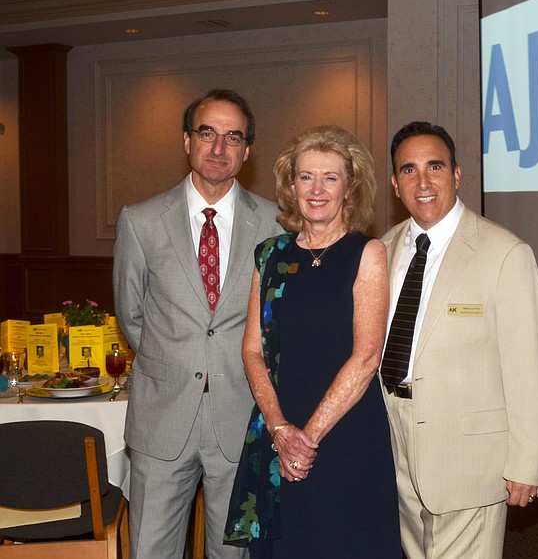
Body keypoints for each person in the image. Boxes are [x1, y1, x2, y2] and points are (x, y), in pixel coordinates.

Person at [112, 88, 283, 559]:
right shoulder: (141, 221)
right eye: (207, 133)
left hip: (241, 416)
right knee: (150, 549)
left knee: (234, 552)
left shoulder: (276, 224)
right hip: (162, 418)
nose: (218, 148)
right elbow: (131, 315)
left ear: (247, 151)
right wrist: (176, 360)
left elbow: (275, 323)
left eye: (232, 137)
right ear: (187, 140)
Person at [381, 121, 538, 559]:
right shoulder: (383, 249)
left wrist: (528, 462)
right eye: (409, 170)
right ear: (394, 183)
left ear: (457, 175)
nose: (423, 182)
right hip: (395, 441)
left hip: (470, 456)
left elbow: (530, 369)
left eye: (434, 167)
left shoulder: (505, 253)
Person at [223, 125, 401, 558]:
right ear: (290, 185)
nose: (317, 189)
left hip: (346, 434)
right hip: (278, 427)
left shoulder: (367, 252)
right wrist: (282, 431)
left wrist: (306, 440)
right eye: (306, 177)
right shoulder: (269, 255)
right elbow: (251, 350)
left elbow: (365, 359)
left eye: (330, 177)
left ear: (350, 187)